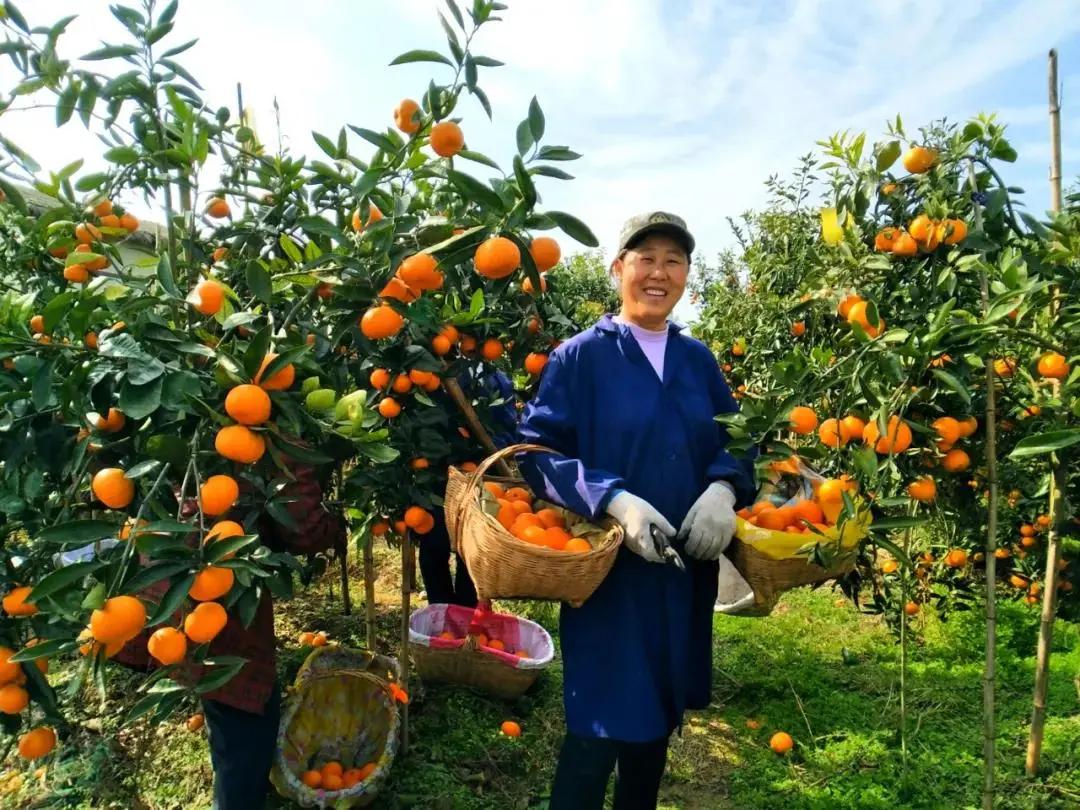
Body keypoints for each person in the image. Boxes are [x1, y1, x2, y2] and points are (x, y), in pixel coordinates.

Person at [517, 212, 755, 809]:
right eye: (645, 258)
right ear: (618, 268)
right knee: (598, 728)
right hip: (608, 576)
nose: (659, 272)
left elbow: (737, 439)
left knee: (655, 723)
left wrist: (724, 489)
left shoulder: (697, 361)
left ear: (686, 275)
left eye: (674, 261)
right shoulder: (580, 359)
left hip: (682, 572)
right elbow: (538, 455)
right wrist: (614, 500)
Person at [115, 461, 344, 810]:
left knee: (222, 704)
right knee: (244, 719)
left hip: (160, 586)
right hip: (213, 600)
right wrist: (332, 523)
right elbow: (306, 530)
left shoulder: (178, 438)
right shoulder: (268, 439)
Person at [417, 361, 517, 607]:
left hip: (478, 479)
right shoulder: (429, 374)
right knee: (434, 545)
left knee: (471, 550)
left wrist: (477, 447)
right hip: (436, 479)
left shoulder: (497, 380)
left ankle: (465, 614)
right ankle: (440, 611)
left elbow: (508, 432)